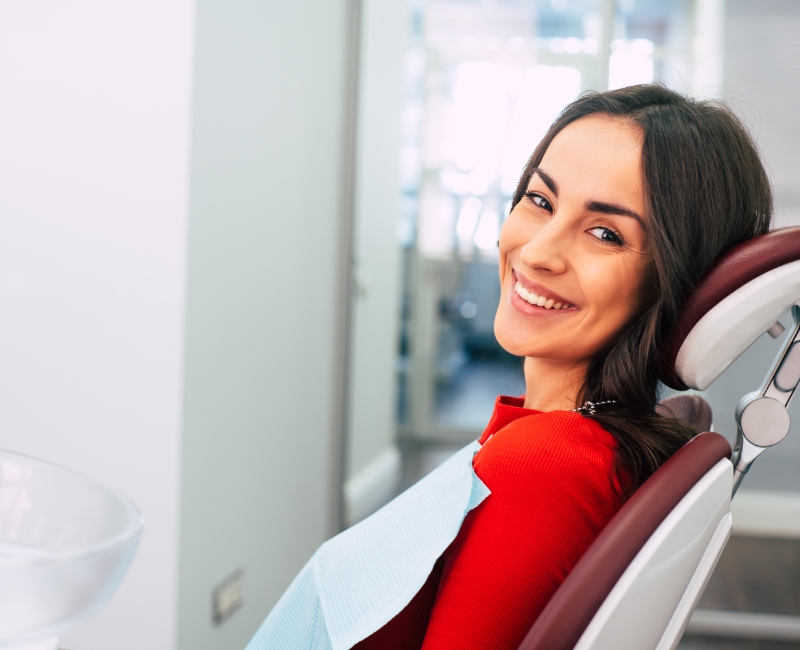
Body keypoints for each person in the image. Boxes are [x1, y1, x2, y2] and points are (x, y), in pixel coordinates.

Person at [247, 85, 772, 650]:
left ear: (678, 281)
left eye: (605, 234)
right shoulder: (571, 441)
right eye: (540, 200)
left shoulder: (545, 466)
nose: (538, 251)